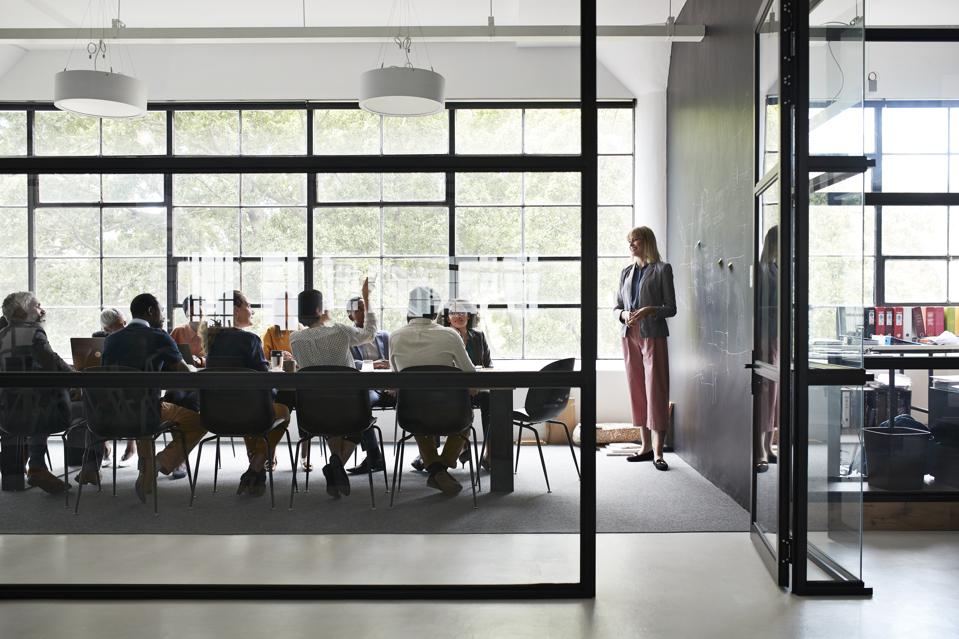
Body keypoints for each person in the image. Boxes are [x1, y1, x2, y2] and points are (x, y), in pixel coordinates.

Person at [100, 293, 207, 502]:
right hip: (147, 412)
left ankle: (148, 466)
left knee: (147, 412)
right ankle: (158, 463)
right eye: (161, 310)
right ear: (151, 311)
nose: (164, 315)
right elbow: (184, 374)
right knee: (199, 422)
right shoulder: (159, 336)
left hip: (111, 413)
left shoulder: (111, 340)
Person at [290, 279, 376, 498]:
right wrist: (367, 300)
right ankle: (335, 463)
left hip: (314, 412)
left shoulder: (295, 339)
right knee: (362, 421)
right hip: (350, 408)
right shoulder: (339, 331)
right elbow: (369, 334)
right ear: (320, 310)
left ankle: (335, 466)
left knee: (330, 417)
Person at [202, 290, 292, 497]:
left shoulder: (211, 340)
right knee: (283, 411)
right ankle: (256, 465)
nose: (252, 310)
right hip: (249, 414)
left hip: (215, 414)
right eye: (248, 305)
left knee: (247, 410)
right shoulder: (250, 340)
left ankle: (257, 475)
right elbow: (263, 381)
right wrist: (276, 375)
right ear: (235, 310)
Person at [390, 286, 476, 496]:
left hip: (411, 415)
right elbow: (470, 373)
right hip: (452, 414)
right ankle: (442, 467)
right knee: (467, 418)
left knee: (417, 411)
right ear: (435, 310)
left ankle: (436, 469)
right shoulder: (449, 335)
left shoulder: (395, 336)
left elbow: (394, 381)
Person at [0, 292, 86, 494]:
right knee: (82, 407)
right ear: (23, 310)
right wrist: (77, 379)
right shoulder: (34, 332)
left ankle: (27, 470)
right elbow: (53, 362)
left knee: (33, 402)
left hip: (5, 415)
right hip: (41, 413)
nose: (42, 310)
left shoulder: (1, 334)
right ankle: (41, 465)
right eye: (38, 306)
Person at [614, 226, 676, 471]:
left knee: (656, 391)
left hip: (654, 335)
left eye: (635, 240)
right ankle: (645, 447)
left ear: (646, 241)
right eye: (629, 241)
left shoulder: (662, 269)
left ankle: (659, 453)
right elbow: (617, 307)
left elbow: (671, 308)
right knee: (637, 390)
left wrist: (651, 310)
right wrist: (624, 315)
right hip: (629, 334)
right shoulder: (626, 272)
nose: (631, 245)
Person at [438, 298, 492, 469]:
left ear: (469, 316)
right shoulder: (442, 337)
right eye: (454, 313)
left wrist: (476, 382)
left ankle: (490, 453)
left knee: (491, 401)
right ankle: (461, 445)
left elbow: (488, 365)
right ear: (448, 318)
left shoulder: (479, 336)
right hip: (451, 391)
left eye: (462, 312)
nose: (458, 316)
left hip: (475, 390)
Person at [345, 295, 391, 476]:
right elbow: (348, 362)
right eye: (360, 309)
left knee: (418, 396)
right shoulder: (347, 337)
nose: (365, 313)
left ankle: (426, 455)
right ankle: (374, 455)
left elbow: (396, 359)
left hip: (391, 386)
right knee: (360, 403)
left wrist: (394, 382)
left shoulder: (385, 336)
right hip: (368, 387)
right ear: (350, 316)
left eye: (367, 309)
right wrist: (373, 364)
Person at [92, 307, 135, 466]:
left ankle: (131, 444)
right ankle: (103, 445)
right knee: (95, 398)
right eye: (116, 327)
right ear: (105, 329)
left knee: (130, 397)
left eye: (123, 324)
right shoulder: (99, 338)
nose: (122, 328)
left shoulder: (133, 337)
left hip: (129, 382)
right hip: (108, 380)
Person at [756, 225, 779, 473]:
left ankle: (768, 445)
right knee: (765, 392)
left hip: (776, 337)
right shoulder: (763, 270)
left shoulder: (776, 268)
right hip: (765, 336)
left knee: (774, 393)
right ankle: (761, 448)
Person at [170, 296, 205, 367]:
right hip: (184, 374)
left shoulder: (212, 332)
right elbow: (169, 355)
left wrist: (200, 361)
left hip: (209, 374)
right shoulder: (178, 332)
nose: (196, 316)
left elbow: (218, 358)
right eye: (192, 313)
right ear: (186, 314)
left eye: (199, 311)